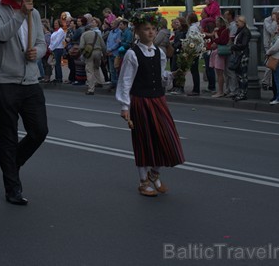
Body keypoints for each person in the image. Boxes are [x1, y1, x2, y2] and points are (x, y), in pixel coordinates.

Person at [0, 0, 48, 205]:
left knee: (39, 131)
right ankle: (12, 187)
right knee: (8, 135)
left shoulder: (35, 13)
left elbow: (42, 42)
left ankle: (14, 162)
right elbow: (1, 34)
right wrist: (20, 13)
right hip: (4, 81)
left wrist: (37, 52)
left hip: (30, 81)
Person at [115, 11, 185, 197]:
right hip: (141, 101)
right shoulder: (132, 54)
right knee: (144, 141)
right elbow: (125, 81)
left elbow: (160, 77)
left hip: (158, 100)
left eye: (153, 29)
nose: (151, 32)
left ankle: (155, 173)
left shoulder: (159, 52)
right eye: (147, 29)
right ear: (138, 31)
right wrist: (124, 106)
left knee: (166, 137)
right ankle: (143, 181)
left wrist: (174, 75)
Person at [79, 17, 106, 95]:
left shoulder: (84, 35)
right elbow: (103, 45)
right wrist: (104, 55)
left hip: (89, 53)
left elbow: (81, 46)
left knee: (89, 70)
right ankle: (100, 82)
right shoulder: (97, 34)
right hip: (98, 52)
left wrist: (83, 53)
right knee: (96, 67)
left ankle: (91, 89)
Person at [230, 15, 252, 101]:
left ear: (242, 22)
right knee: (239, 74)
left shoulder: (245, 31)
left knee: (243, 75)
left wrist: (234, 47)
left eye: (238, 22)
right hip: (239, 54)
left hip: (243, 55)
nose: (236, 24)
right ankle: (240, 92)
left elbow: (243, 44)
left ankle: (243, 93)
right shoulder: (240, 30)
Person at [186, 12, 201, 96]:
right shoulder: (196, 27)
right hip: (196, 51)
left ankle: (196, 89)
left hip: (193, 51)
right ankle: (196, 88)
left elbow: (191, 40)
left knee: (194, 70)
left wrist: (189, 50)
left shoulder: (192, 28)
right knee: (194, 70)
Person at [48, 19, 66, 84]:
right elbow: (52, 40)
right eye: (55, 23)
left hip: (58, 48)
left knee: (57, 63)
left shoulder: (61, 31)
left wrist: (51, 48)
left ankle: (59, 78)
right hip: (54, 48)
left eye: (56, 23)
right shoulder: (55, 31)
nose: (55, 25)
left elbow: (57, 41)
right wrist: (50, 47)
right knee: (55, 63)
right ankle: (57, 77)